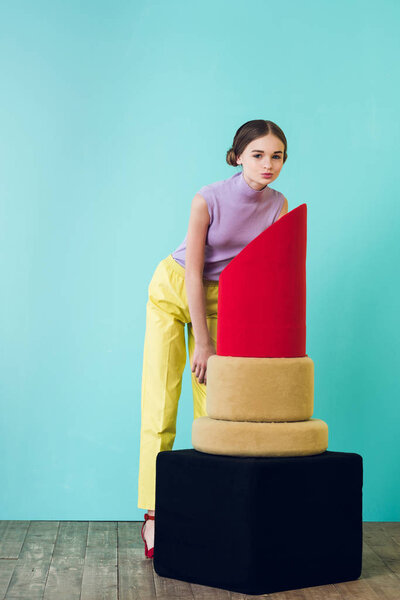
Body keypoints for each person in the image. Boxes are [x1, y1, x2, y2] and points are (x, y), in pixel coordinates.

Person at [138, 119, 289, 558]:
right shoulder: (207, 199)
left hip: (226, 299)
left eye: (276, 156)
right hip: (174, 290)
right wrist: (203, 342)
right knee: (160, 406)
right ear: (237, 155)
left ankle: (214, 508)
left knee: (216, 413)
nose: (268, 164)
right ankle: (153, 515)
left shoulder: (279, 205)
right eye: (258, 154)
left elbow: (271, 273)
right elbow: (192, 272)